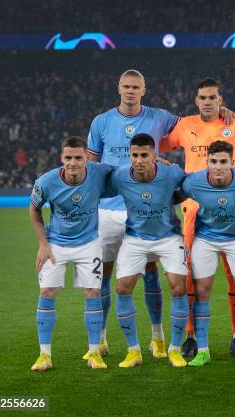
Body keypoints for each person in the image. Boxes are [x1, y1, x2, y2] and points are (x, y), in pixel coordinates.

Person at [159, 77, 235, 357]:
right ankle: (191, 335)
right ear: (196, 100)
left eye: (212, 97)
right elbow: (160, 144)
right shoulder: (184, 126)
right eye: (203, 97)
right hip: (194, 213)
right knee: (191, 276)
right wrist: (159, 161)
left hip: (233, 213)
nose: (207, 102)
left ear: (220, 99)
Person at [87, 69, 179, 359]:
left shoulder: (159, 116)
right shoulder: (101, 122)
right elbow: (91, 165)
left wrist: (223, 111)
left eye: (135, 87)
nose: (130, 91)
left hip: (143, 208)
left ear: (144, 89)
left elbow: (191, 126)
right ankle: (100, 339)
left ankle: (158, 337)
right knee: (105, 274)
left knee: (150, 273)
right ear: (118, 88)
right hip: (108, 211)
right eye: (126, 86)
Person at [29, 136, 113, 371]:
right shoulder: (46, 181)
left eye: (78, 157)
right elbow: (34, 208)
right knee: (47, 291)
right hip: (55, 243)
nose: (73, 162)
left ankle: (94, 352)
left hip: (89, 243)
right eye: (68, 158)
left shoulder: (99, 173)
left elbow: (126, 173)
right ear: (61, 158)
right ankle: (44, 355)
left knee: (93, 292)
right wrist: (43, 244)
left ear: (86, 157)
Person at [107, 134, 188, 368]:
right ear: (129, 156)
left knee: (178, 286)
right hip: (135, 238)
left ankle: (174, 349)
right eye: (135, 155)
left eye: (144, 155)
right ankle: (133, 351)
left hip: (169, 237)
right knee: (122, 288)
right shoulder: (120, 176)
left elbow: (190, 186)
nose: (139, 160)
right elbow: (96, 184)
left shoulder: (171, 172)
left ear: (155, 156)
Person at [179, 141, 235, 366]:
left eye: (223, 162)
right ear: (207, 163)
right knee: (201, 291)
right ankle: (203, 350)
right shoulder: (194, 181)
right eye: (213, 162)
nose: (218, 167)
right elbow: (174, 194)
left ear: (232, 163)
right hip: (205, 240)